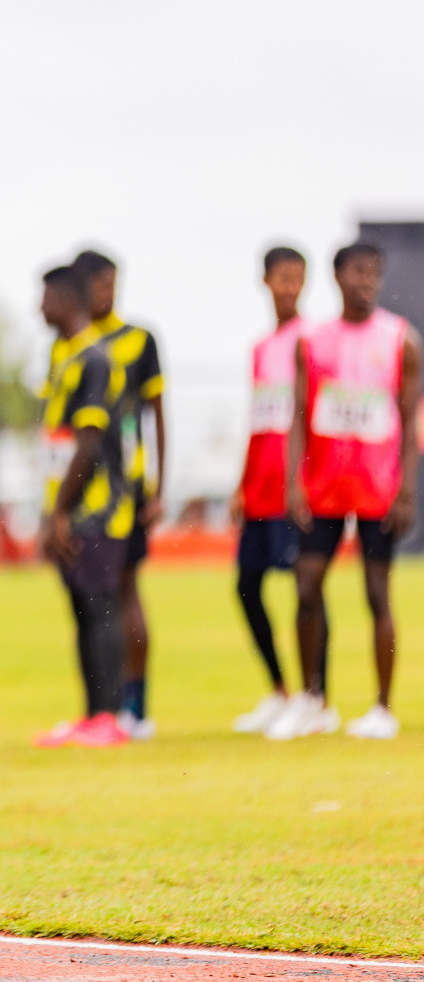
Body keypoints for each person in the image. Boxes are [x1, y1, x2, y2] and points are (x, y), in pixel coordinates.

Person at [274, 242, 420, 741]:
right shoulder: (312, 342)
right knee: (307, 584)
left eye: (374, 273)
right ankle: (314, 699)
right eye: (358, 272)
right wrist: (295, 479)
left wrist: (406, 489)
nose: (367, 281)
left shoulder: (401, 340)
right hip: (325, 487)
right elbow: (297, 417)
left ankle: (382, 707)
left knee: (378, 593)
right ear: (337, 277)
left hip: (378, 489)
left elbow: (407, 420)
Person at [34, 265, 133, 749]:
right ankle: (91, 715)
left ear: (67, 299)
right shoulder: (65, 360)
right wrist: (51, 512)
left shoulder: (96, 359)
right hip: (68, 511)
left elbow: (89, 446)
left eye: (45, 297)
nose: (39, 308)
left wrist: (60, 512)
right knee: (81, 611)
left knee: (101, 608)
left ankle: (111, 717)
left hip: (97, 511)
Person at [229, 247, 326, 734]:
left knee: (306, 589)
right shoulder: (261, 347)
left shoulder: (312, 341)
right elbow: (260, 419)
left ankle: (317, 697)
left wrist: (305, 481)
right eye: (282, 277)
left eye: (298, 278)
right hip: (261, 490)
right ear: (265, 280)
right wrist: (240, 483)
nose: (290, 287)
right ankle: (279, 689)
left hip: (297, 489)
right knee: (247, 586)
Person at [73, 250, 164, 741]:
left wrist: (159, 486)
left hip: (128, 490)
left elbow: (156, 413)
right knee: (91, 597)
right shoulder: (74, 347)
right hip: (84, 496)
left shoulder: (138, 340)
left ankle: (135, 705)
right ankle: (100, 706)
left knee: (126, 592)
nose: (109, 292)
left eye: (113, 282)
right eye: (100, 284)